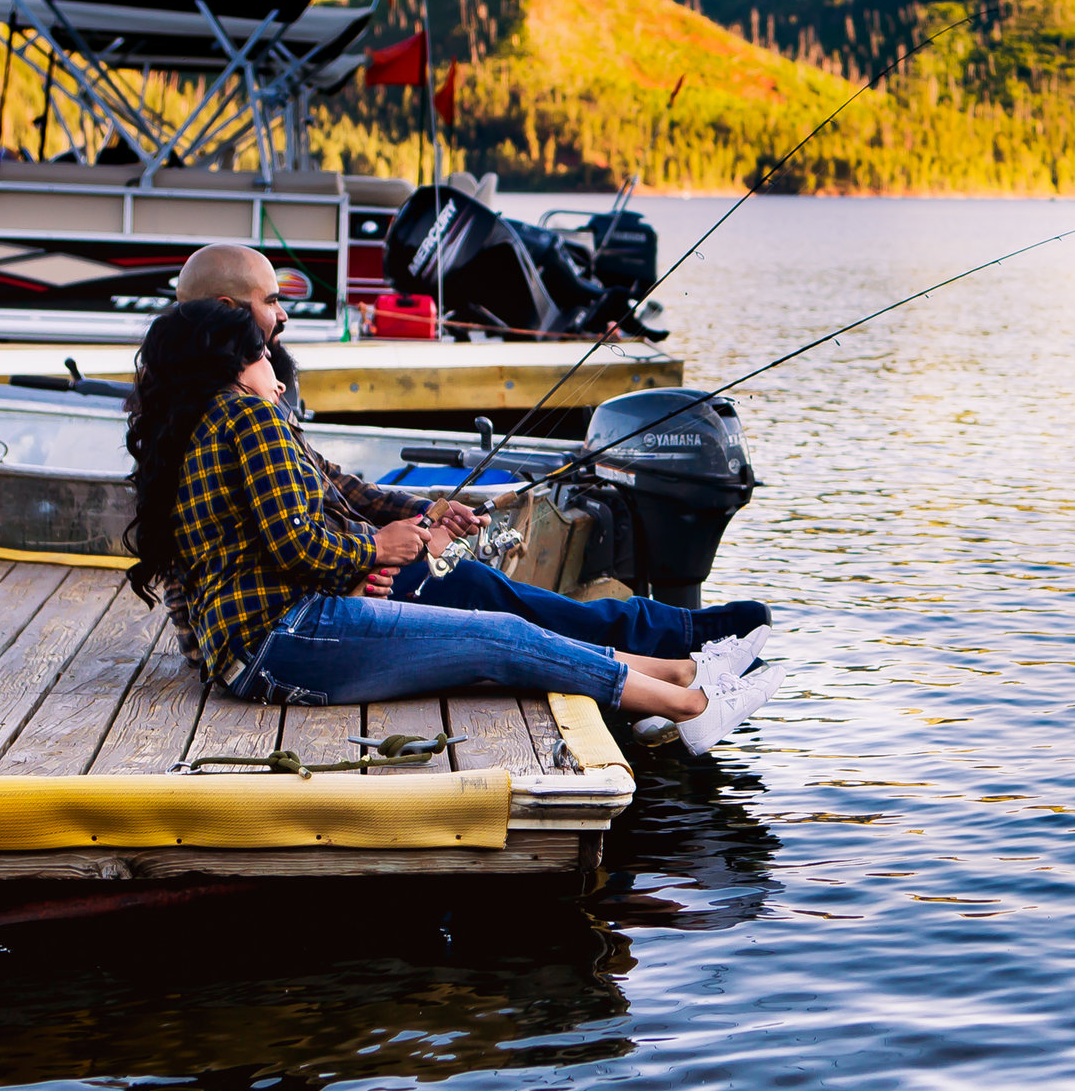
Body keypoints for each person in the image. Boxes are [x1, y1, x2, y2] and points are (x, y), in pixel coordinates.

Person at [125, 300, 778, 754]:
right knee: (497, 637)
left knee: (496, 636)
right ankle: (690, 705)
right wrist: (377, 547)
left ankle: (681, 677)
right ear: (232, 365)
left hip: (257, 654)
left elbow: (274, 537)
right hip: (289, 639)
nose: (274, 369)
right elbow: (298, 541)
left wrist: (400, 532)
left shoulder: (194, 431)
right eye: (264, 356)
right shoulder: (248, 418)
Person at [168, 243, 770, 659]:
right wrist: (371, 555)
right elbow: (261, 547)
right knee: (481, 594)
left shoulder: (203, 397)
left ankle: (666, 638)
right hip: (304, 616)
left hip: (319, 596)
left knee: (479, 585)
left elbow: (331, 485)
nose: (283, 315)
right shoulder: (234, 409)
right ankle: (677, 637)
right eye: (271, 301)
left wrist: (422, 513)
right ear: (228, 309)